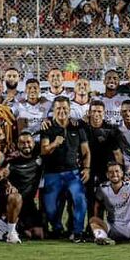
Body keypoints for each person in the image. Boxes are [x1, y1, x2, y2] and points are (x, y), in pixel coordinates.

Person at [39, 97, 91, 241]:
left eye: (65, 109)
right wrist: (54, 144)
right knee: (50, 208)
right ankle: (57, 228)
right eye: (58, 109)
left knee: (80, 200)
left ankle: (78, 231)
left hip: (73, 173)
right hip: (52, 173)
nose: (62, 111)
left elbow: (86, 151)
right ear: (53, 111)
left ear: (69, 110)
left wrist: (86, 168)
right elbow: (43, 150)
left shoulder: (77, 127)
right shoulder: (47, 128)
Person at [89, 162, 130, 245]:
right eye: (111, 172)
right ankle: (103, 238)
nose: (114, 174)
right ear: (107, 175)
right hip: (112, 228)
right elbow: (97, 206)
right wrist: (98, 225)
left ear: (122, 173)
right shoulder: (102, 188)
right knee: (93, 220)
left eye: (117, 171)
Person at [5, 131, 45, 240]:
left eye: (28, 142)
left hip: (29, 203)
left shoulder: (39, 159)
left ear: (33, 143)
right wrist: (8, 184)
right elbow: (3, 176)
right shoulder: (12, 161)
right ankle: (11, 230)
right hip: (14, 202)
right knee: (16, 198)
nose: (26, 145)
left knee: (38, 235)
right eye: (22, 143)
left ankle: (20, 228)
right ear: (17, 145)